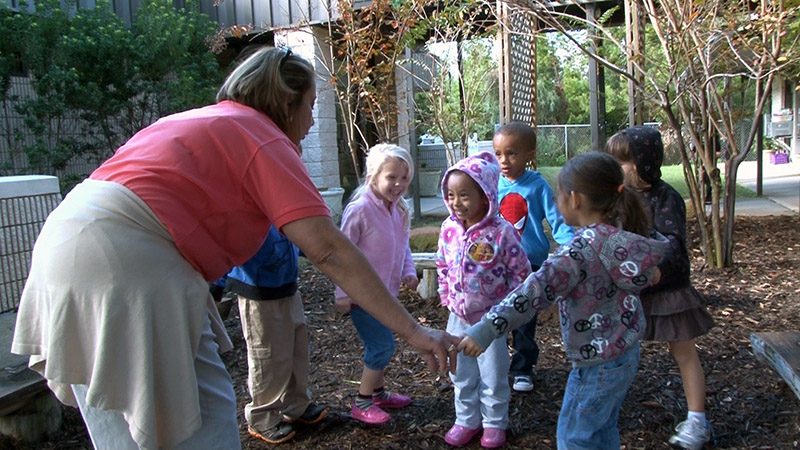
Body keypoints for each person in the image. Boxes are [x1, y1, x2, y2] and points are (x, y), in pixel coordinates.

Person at [11, 47, 459, 450]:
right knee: (201, 419)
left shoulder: (199, 119)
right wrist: (417, 332)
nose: (309, 123)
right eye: (310, 108)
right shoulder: (262, 135)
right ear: (287, 103)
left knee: (120, 415)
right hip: (125, 258)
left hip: (64, 243)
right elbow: (329, 251)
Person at [457, 151, 669, 449]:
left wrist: (486, 328)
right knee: (602, 429)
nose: (556, 202)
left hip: (596, 364)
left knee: (574, 438)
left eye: (559, 195)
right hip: (626, 353)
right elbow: (652, 275)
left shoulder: (576, 254)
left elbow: (531, 294)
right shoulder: (621, 236)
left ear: (576, 199)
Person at [605, 127, 715, 450]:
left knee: (683, 351)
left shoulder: (667, 198)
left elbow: (673, 247)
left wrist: (651, 267)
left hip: (666, 289)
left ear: (643, 163)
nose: (616, 167)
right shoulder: (619, 196)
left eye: (622, 161)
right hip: (630, 290)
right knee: (616, 351)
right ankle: (604, 411)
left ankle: (697, 421)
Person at [436, 151, 532, 448]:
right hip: (458, 316)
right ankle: (466, 419)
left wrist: (509, 312)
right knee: (461, 373)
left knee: (492, 374)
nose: (456, 202)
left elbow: (522, 273)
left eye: (464, 195)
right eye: (451, 195)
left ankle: (493, 423)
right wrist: (445, 294)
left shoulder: (502, 233)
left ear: (485, 195)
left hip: (491, 320)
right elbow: (442, 264)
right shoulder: (448, 229)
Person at [333, 143, 420, 425]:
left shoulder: (398, 210)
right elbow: (340, 255)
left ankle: (379, 393)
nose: (398, 184)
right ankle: (362, 401)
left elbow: (403, 246)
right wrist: (343, 292)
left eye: (404, 178)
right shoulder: (359, 210)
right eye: (392, 177)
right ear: (373, 175)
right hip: (362, 296)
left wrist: (408, 271)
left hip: (386, 295)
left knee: (384, 344)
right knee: (381, 347)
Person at [224, 225, 327, 445]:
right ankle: (262, 416)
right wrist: (217, 286)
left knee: (296, 349)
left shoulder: (281, 208)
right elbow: (225, 246)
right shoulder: (244, 211)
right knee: (268, 355)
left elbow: (298, 235)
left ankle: (295, 403)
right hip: (258, 290)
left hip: (287, 285)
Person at [494, 122, 574, 393]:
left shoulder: (537, 185)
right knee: (496, 315)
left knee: (525, 317)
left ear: (529, 153)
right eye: (499, 154)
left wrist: (570, 246)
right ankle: (494, 365)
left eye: (512, 153)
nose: (504, 160)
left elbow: (557, 219)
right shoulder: (491, 184)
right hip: (497, 264)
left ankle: (522, 368)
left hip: (530, 263)